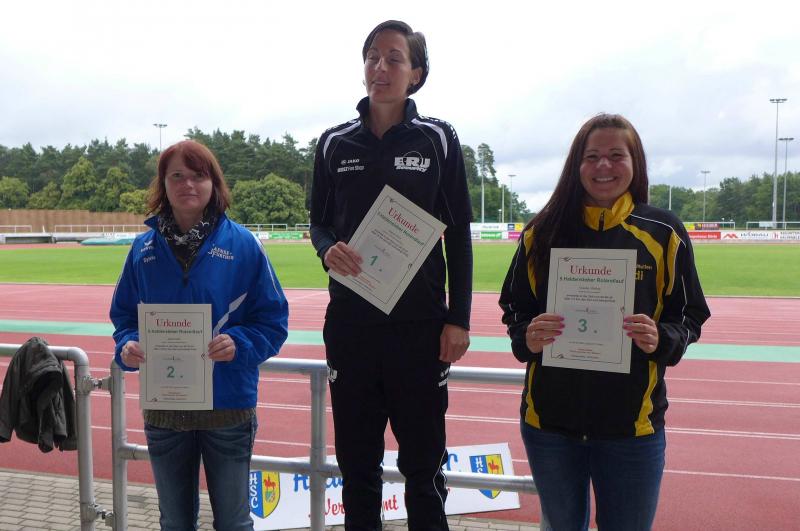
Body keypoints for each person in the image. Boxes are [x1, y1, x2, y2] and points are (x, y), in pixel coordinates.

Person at [499, 114, 710, 531]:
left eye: (616, 155)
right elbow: (515, 308)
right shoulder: (541, 232)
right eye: (592, 156)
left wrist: (661, 338)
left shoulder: (663, 233)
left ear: (635, 163)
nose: (603, 166)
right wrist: (528, 336)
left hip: (632, 428)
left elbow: (690, 314)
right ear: (576, 165)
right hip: (549, 426)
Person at [310, 20, 473, 531]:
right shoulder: (334, 142)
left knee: (423, 472)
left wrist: (459, 319)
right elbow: (318, 223)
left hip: (419, 330)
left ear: (416, 73)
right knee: (358, 472)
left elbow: (458, 234)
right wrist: (327, 250)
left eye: (394, 58)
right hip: (352, 329)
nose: (380, 67)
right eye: (372, 57)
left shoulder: (438, 138)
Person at [110, 140, 288, 531]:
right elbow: (123, 316)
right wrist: (128, 345)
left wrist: (240, 343)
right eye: (177, 175)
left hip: (228, 408)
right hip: (165, 410)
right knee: (174, 522)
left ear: (213, 183)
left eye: (198, 175)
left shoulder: (244, 245)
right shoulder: (141, 249)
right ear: (163, 183)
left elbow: (274, 321)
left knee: (233, 523)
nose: (187, 184)